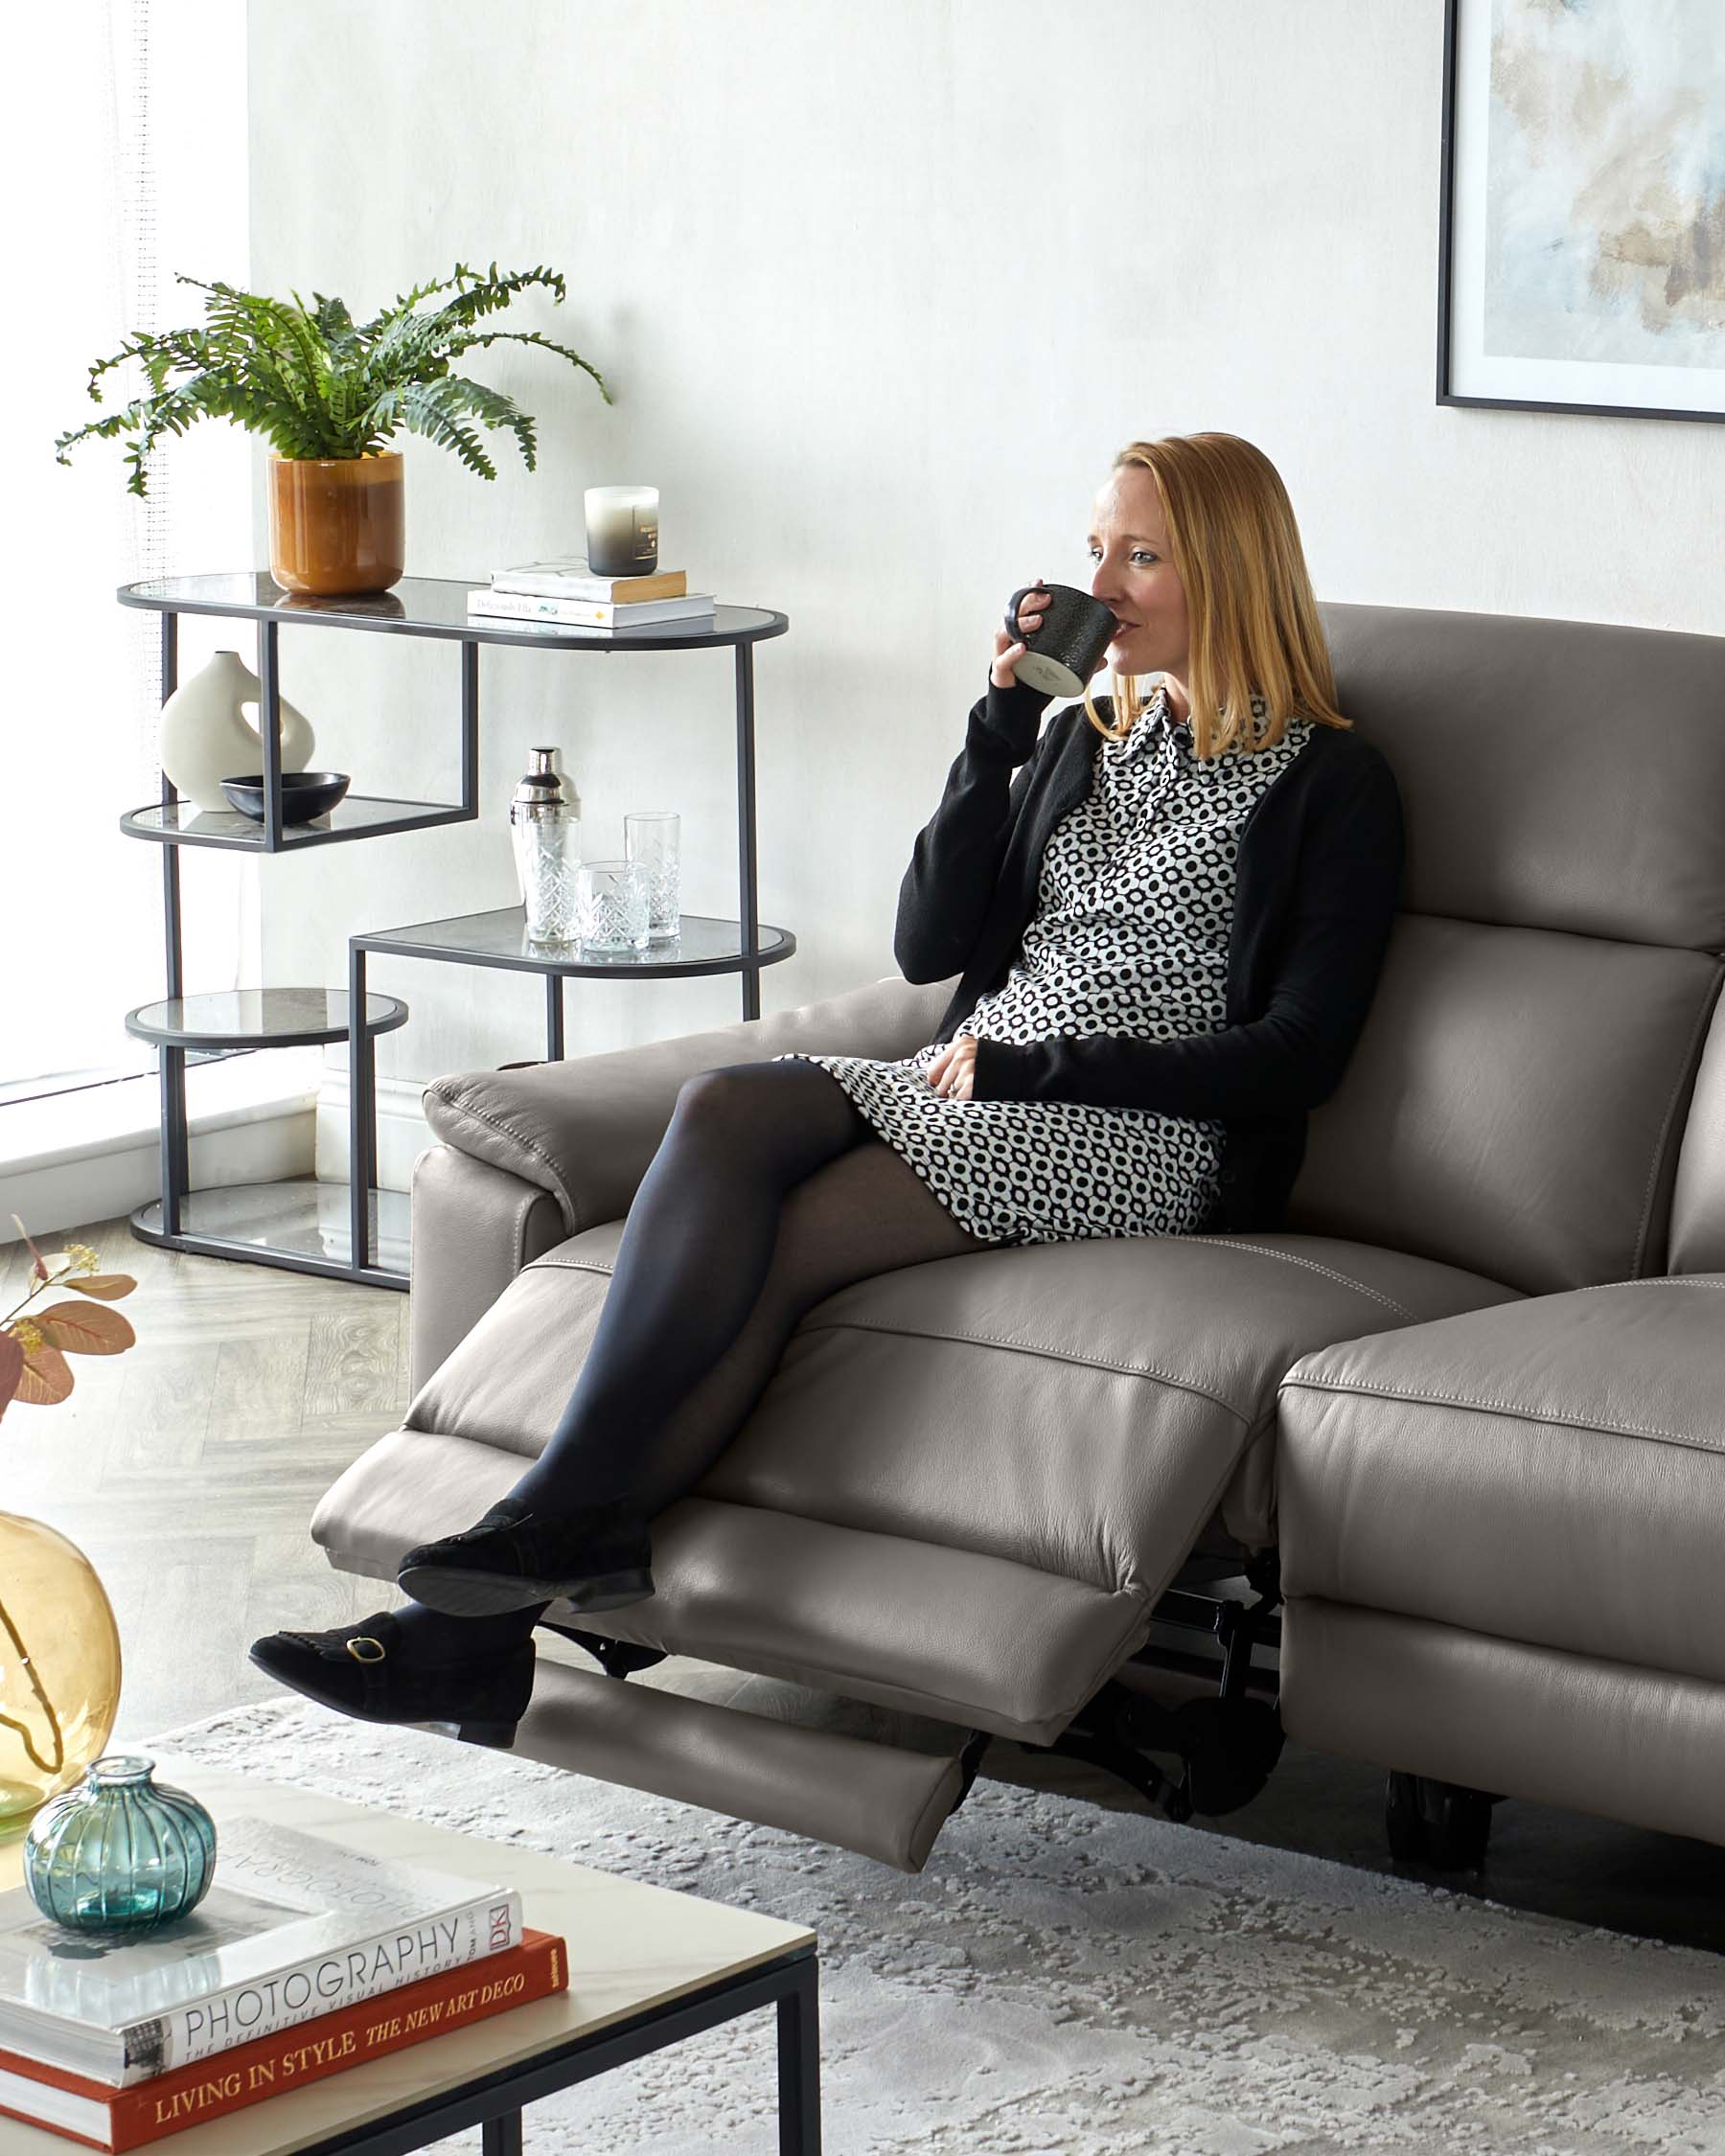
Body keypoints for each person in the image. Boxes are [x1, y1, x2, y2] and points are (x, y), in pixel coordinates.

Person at [250, 430, 1405, 1743]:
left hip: (1141, 1131)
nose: (1106, 581)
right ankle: (514, 1588)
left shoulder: (1331, 782)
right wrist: (997, 727)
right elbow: (929, 944)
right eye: (1096, 549)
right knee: (769, 1212)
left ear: (1235, 570)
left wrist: (1043, 1066)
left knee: (735, 1111)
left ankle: (523, 1555)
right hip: (976, 1085)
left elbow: (1299, 1051)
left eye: (1142, 555)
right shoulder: (1088, 738)